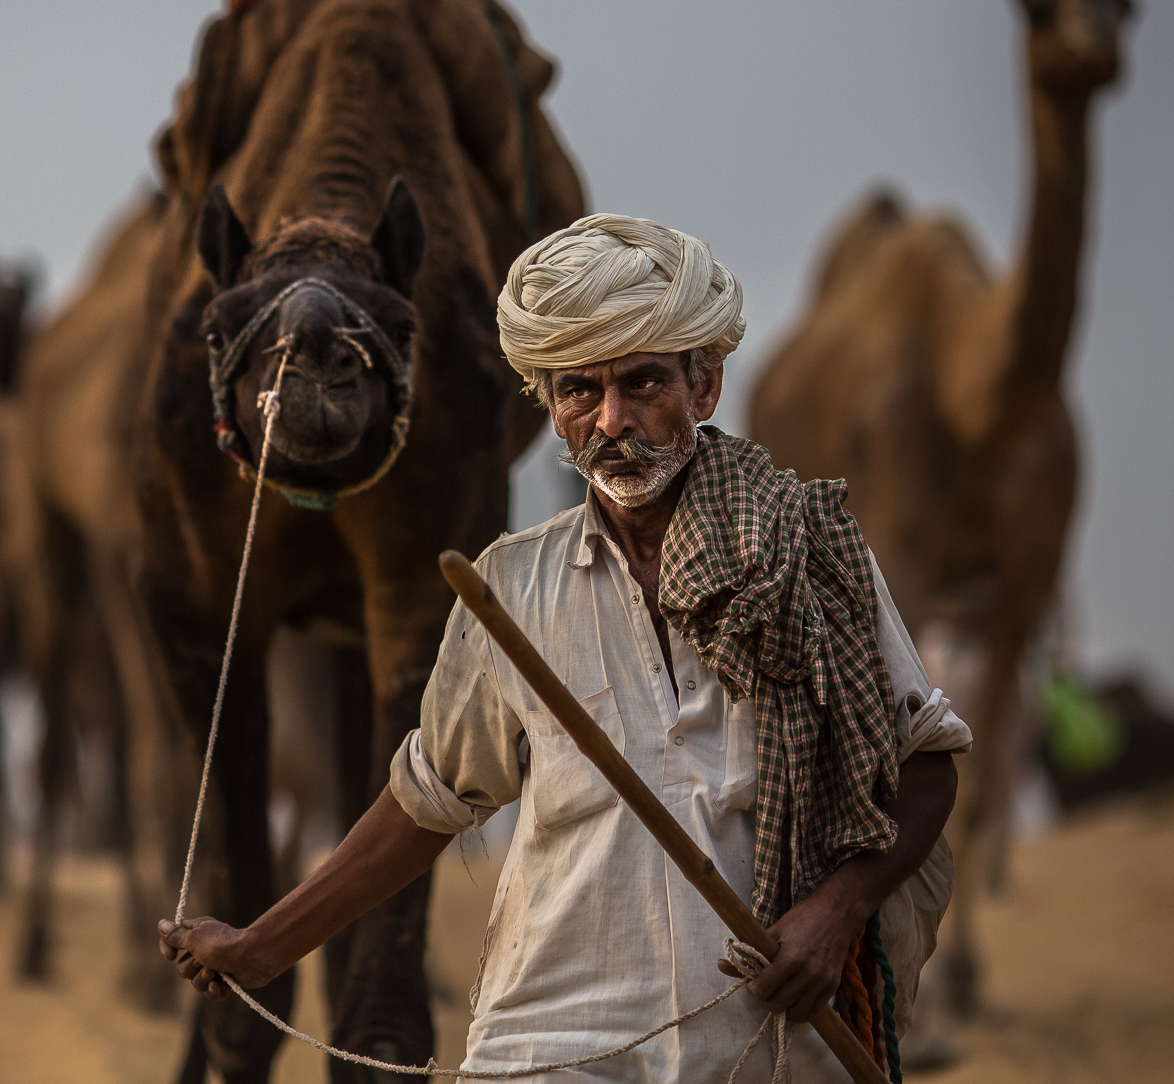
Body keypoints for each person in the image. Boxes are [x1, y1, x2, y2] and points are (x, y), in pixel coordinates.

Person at [161, 214, 972, 1081]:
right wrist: (262, 945)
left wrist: (837, 911)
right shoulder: (510, 588)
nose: (612, 420)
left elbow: (926, 765)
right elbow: (426, 800)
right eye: (579, 390)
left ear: (706, 387)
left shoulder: (812, 553)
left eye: (643, 383)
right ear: (551, 408)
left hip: (768, 1041)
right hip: (554, 1042)